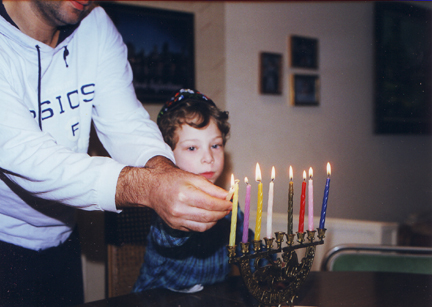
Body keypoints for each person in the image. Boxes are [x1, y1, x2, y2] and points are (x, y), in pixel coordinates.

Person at [0, 1, 231, 306]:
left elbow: (125, 123)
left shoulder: (94, 23)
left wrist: (164, 171)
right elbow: (30, 158)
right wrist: (148, 187)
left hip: (65, 238)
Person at [133, 89, 254, 293]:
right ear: (167, 155)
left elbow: (246, 244)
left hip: (213, 296)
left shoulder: (228, 201)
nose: (208, 157)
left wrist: (265, 265)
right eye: (192, 148)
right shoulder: (168, 201)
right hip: (159, 297)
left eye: (215, 145)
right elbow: (165, 237)